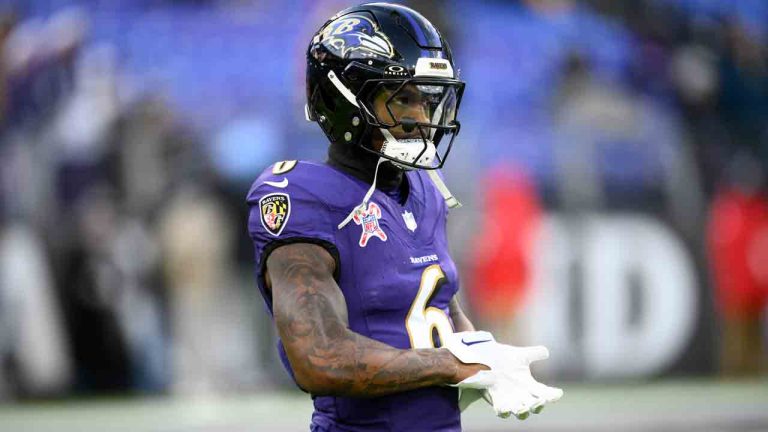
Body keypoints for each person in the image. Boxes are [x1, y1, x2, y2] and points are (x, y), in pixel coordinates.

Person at [246, 3, 562, 431]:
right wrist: (454, 365)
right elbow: (319, 358)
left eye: (427, 99)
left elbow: (438, 310)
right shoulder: (303, 196)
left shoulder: (424, 192)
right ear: (345, 101)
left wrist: (483, 353)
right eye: (401, 99)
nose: (419, 117)